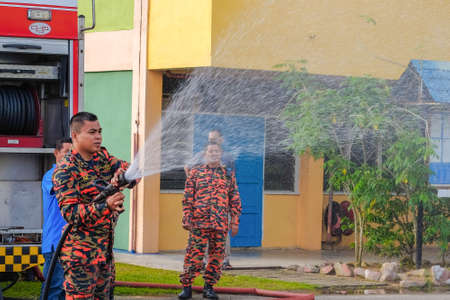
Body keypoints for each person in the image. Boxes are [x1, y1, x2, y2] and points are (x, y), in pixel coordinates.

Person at [53, 112, 132, 299]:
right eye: (92, 132)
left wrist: (123, 175)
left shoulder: (102, 158)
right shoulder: (66, 170)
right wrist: (107, 205)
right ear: (75, 136)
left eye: (99, 131)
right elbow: (71, 213)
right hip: (80, 257)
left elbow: (131, 170)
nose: (98, 137)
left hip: (104, 254)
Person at [179, 143, 242, 300]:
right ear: (205, 154)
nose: (214, 153)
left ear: (221, 154)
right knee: (194, 255)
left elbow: (234, 198)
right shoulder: (195, 173)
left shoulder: (228, 174)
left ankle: (209, 288)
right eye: (211, 151)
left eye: (217, 151)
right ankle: (187, 287)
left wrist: (235, 221)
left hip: (220, 224)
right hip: (199, 222)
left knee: (216, 256)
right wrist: (186, 217)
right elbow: (188, 198)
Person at [184, 129, 235, 269]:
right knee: (201, 234)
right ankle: (202, 261)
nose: (212, 141)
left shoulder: (228, 157)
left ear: (221, 140)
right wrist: (193, 184)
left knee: (222, 234)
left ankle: (224, 260)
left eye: (215, 139)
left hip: (221, 207)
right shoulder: (201, 155)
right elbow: (187, 167)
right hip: (203, 208)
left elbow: (232, 182)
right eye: (210, 139)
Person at [40, 138, 72, 300]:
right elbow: (62, 186)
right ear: (56, 153)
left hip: (71, 243)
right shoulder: (51, 176)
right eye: (66, 152)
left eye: (73, 153)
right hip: (55, 243)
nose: (69, 157)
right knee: (54, 288)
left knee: (67, 290)